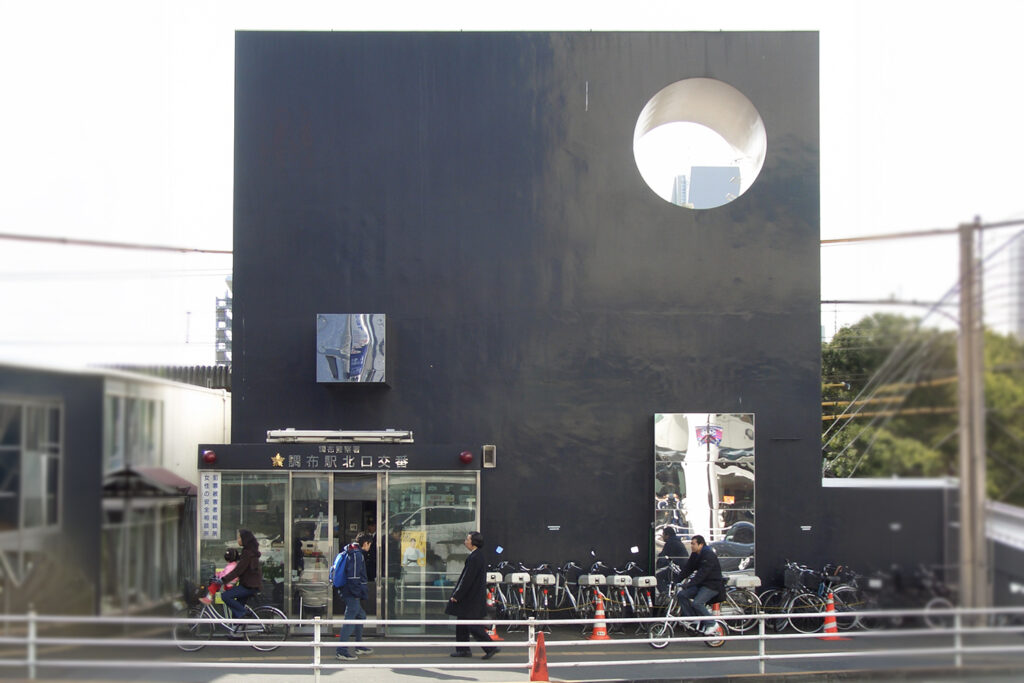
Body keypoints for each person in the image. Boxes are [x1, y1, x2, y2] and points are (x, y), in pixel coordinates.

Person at [445, 531, 499, 660]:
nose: (465, 541)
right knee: (462, 623)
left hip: (470, 598)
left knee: (472, 625)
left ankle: (490, 647)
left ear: (474, 542)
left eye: (467, 539)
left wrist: (457, 595)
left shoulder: (474, 558)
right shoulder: (477, 556)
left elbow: (467, 579)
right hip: (471, 597)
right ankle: (463, 650)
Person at [336, 532, 375, 661]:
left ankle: (358, 645)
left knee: (361, 616)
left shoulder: (351, 551)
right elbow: (353, 577)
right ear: (366, 543)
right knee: (350, 620)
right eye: (370, 544)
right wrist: (358, 593)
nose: (370, 547)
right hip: (351, 592)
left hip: (348, 590)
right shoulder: (357, 555)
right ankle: (342, 650)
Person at [675, 534, 725, 634]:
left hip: (712, 585)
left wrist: (688, 584)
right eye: (691, 543)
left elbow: (702, 574)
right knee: (682, 595)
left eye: (693, 544)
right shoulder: (695, 554)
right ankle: (692, 620)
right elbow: (688, 569)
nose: (691, 546)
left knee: (697, 603)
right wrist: (676, 580)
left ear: (701, 544)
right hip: (702, 585)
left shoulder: (708, 555)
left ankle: (712, 624)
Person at [217, 529, 264, 624]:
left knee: (225, 596)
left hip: (249, 586)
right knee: (237, 607)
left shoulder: (247, 553)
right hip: (250, 585)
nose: (238, 540)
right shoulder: (250, 551)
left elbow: (238, 570)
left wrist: (223, 580)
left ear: (245, 539)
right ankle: (237, 633)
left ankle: (244, 613)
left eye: (239, 538)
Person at [656, 527, 687, 591]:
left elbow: (663, 556)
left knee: (658, 577)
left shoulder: (670, 543)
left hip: (677, 569)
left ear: (667, 535)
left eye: (663, 535)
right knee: (669, 578)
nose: (663, 537)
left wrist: (656, 566)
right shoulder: (678, 542)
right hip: (682, 568)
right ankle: (670, 592)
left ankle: (664, 593)